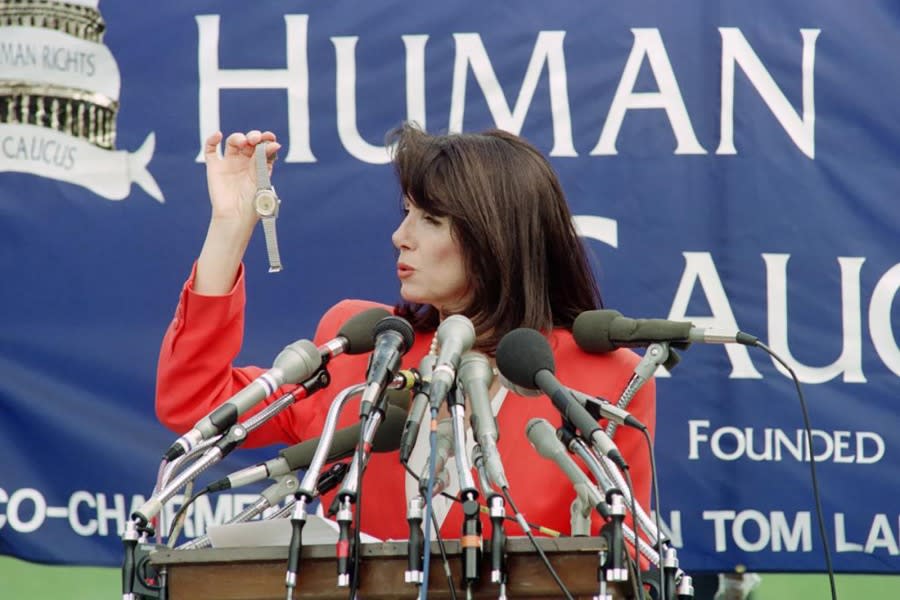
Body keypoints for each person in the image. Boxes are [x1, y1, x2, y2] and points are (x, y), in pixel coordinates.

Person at [155, 124, 656, 542]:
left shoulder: (604, 379)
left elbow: (621, 562)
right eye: (407, 213)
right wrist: (229, 228)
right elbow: (194, 404)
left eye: (430, 220)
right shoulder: (366, 348)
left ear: (495, 238)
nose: (401, 236)